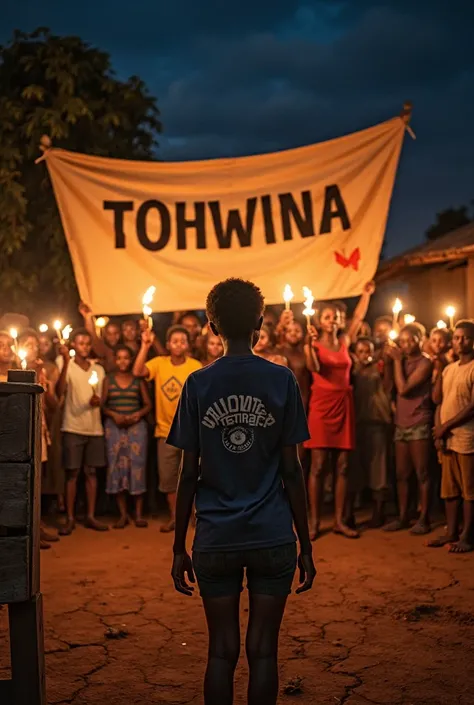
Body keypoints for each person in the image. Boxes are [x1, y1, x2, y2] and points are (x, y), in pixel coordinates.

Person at [168, 278, 316, 705]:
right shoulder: (282, 379)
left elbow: (187, 475)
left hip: (215, 539)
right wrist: (304, 543)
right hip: (273, 537)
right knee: (264, 652)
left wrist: (180, 546)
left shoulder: (197, 384)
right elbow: (292, 470)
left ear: (211, 327)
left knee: (221, 652)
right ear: (259, 322)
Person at [304, 281, 375, 540]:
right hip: (321, 406)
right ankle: (313, 521)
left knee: (343, 466)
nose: (332, 320)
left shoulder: (345, 340)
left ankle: (339, 521)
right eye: (327, 316)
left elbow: (358, 317)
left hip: (344, 404)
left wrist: (366, 295)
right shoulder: (311, 344)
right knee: (319, 465)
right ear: (320, 321)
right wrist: (310, 346)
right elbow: (313, 369)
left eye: (336, 317)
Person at [133, 325, 201, 532]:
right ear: (168, 344)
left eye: (182, 340)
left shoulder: (195, 366)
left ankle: (196, 517)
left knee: (195, 476)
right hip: (166, 432)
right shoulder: (159, 363)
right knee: (169, 479)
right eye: (174, 341)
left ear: (188, 345)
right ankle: (175, 517)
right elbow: (137, 371)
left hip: (192, 433)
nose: (178, 344)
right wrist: (146, 345)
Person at [56, 328, 109, 535]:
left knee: (91, 472)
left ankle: (90, 516)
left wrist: (99, 401)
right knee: (72, 473)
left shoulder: (99, 370)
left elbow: (103, 397)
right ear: (73, 345)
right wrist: (66, 364)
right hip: (72, 425)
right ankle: (69, 518)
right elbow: (60, 391)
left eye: (88, 343)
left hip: (94, 427)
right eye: (81, 343)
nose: (85, 347)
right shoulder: (65, 364)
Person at [429, 320, 474, 552]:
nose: (459, 342)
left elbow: (472, 406)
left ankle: (467, 535)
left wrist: (445, 427)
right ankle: (451, 531)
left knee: (469, 491)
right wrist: (439, 432)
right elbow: (438, 400)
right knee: (450, 490)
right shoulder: (449, 368)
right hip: (447, 438)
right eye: (456, 337)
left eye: (465, 338)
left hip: (467, 439)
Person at [384, 324, 433, 535]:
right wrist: (389, 363)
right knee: (401, 474)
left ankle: (424, 518)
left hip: (419, 421)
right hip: (401, 422)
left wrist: (396, 361)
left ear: (421, 339)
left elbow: (403, 389)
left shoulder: (426, 362)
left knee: (422, 473)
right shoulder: (400, 361)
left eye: (410, 340)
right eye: (402, 341)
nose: (406, 344)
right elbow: (388, 388)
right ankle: (403, 516)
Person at [102, 345, 152, 528]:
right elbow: (102, 404)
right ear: (115, 360)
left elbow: (147, 404)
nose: (122, 361)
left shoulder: (138, 380)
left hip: (136, 427)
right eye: (119, 358)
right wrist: (114, 415)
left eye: (126, 358)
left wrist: (137, 415)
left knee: (137, 468)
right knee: (116, 468)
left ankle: (138, 515)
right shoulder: (109, 379)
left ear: (131, 360)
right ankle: (122, 515)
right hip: (114, 427)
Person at [348, 338, 392, 528]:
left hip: (376, 424)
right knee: (354, 469)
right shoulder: (352, 370)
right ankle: (349, 513)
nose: (365, 353)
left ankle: (378, 511)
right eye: (360, 350)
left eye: (368, 350)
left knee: (378, 469)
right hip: (355, 425)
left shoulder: (379, 368)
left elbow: (389, 386)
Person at [276, 313, 311, 410]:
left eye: (297, 330)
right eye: (289, 330)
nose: (293, 333)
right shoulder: (278, 351)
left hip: (302, 397)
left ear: (303, 333)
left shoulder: (306, 351)